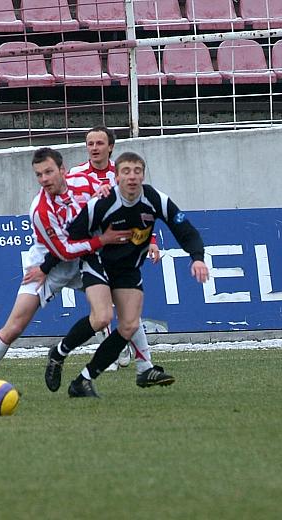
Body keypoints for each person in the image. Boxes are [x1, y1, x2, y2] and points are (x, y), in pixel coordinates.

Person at [0, 147, 131, 398]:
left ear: (63, 170)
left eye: (49, 172)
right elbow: (64, 251)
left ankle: (142, 366)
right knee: (14, 326)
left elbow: (107, 200)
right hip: (45, 269)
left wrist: (105, 195)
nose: (44, 179)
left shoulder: (83, 181)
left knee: (121, 304)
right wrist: (103, 239)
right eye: (39, 175)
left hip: (84, 261)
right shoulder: (40, 210)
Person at [42, 151, 209, 398]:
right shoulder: (104, 202)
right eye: (126, 171)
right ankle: (59, 353)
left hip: (128, 269)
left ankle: (83, 381)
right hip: (98, 263)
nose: (132, 177)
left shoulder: (154, 199)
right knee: (102, 317)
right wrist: (45, 267)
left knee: (129, 326)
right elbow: (72, 235)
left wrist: (197, 258)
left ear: (143, 174)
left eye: (137, 171)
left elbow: (185, 229)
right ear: (117, 176)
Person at [42, 126, 167, 386]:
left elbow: (140, 210)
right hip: (88, 254)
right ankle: (130, 361)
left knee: (125, 313)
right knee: (107, 314)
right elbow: (69, 213)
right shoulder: (75, 175)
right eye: (90, 143)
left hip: (119, 253)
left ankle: (144, 365)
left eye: (100, 143)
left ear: (110, 147)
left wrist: (151, 240)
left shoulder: (121, 174)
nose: (94, 148)